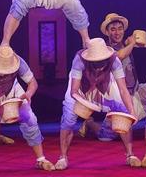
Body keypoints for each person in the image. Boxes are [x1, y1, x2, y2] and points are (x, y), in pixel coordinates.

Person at [56, 38, 138, 170]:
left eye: (101, 61)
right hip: (81, 87)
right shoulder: (79, 60)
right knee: (68, 119)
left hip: (104, 84)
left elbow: (123, 89)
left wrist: (132, 112)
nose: (99, 64)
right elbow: (73, 91)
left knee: (123, 112)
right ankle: (63, 156)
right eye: (96, 62)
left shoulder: (114, 60)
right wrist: (87, 104)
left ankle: (130, 154)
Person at [81, 13, 146, 140]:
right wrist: (131, 44)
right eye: (113, 29)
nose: (117, 32)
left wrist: (134, 42)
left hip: (135, 91)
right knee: (106, 136)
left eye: (120, 28)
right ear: (107, 32)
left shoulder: (125, 45)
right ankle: (90, 123)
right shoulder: (105, 49)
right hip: (119, 98)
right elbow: (120, 55)